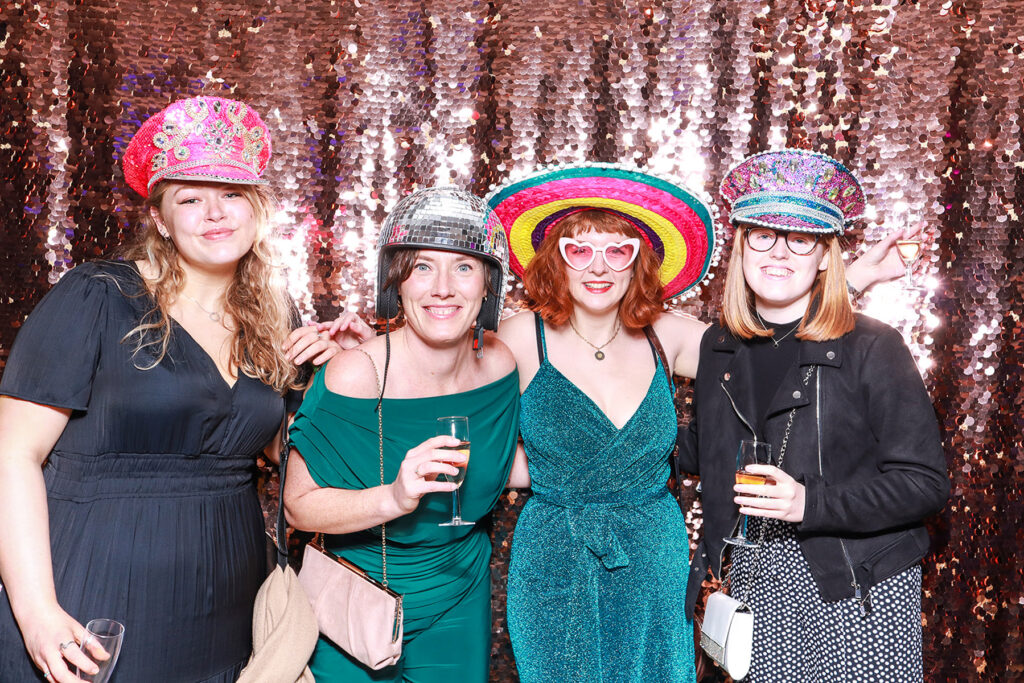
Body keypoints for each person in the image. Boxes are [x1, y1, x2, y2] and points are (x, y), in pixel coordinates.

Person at [485, 162, 911, 682]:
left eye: (618, 250)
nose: (598, 266)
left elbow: (772, 343)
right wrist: (367, 354)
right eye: (579, 249)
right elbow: (446, 389)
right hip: (555, 553)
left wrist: (850, 278)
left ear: (639, 261)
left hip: (652, 551)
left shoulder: (670, 335)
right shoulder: (520, 337)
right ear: (557, 259)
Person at [0, 96, 366, 683]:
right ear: (161, 220)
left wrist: (352, 372)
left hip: (228, 598)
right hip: (96, 583)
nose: (215, 214)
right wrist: (36, 611)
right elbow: (12, 454)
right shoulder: (97, 296)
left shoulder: (276, 315)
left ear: (257, 209)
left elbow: (294, 455)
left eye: (231, 196)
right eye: (190, 200)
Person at [677, 149, 949, 681]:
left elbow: (925, 484)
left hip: (854, 587)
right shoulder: (719, 345)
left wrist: (808, 502)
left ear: (825, 255)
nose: (778, 252)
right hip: (752, 581)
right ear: (741, 246)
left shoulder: (873, 345)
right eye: (762, 235)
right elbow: (707, 446)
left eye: (800, 239)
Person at [284, 187, 521, 683]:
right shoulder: (354, 376)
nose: (442, 288)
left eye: (463, 267)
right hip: (360, 598)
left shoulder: (499, 367)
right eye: (421, 268)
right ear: (397, 284)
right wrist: (394, 496)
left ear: (487, 287)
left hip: (460, 594)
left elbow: (506, 464)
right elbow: (298, 506)